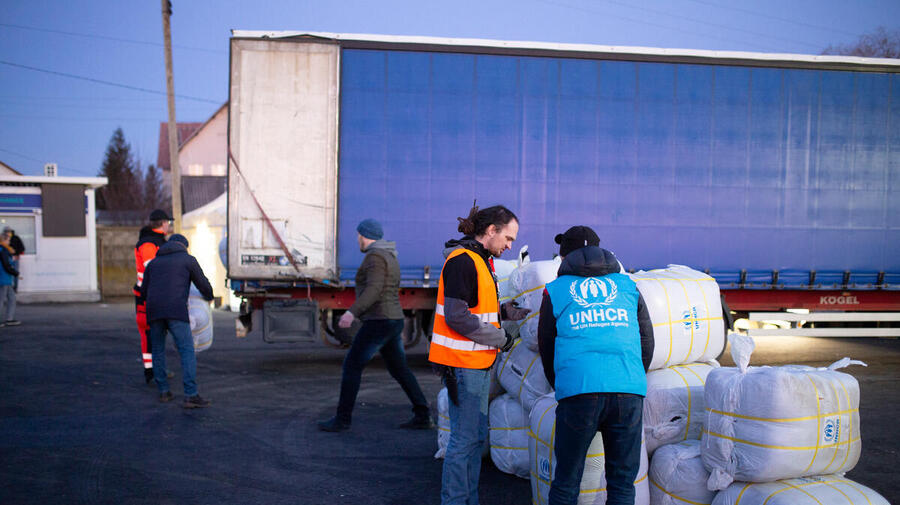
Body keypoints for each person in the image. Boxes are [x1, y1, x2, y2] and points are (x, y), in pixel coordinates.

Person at [536, 226, 654, 505]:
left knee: (566, 481)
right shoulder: (628, 286)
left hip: (578, 390)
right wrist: (633, 376)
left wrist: (562, 385)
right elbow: (646, 339)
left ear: (564, 256)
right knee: (622, 483)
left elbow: (546, 344)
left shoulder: (555, 290)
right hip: (628, 390)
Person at [429, 204, 530, 505]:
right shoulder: (463, 261)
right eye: (508, 238)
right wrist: (502, 338)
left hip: (476, 363)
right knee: (464, 440)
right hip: (463, 365)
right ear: (491, 230)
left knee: (473, 438)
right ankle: (456, 500)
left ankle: (466, 499)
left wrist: (505, 312)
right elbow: (457, 317)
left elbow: (475, 306)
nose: (510, 245)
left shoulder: (480, 261)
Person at [318, 218, 433, 432]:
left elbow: (374, 289)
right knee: (399, 369)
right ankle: (422, 414)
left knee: (352, 366)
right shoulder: (389, 255)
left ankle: (342, 420)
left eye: (358, 235)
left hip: (380, 321)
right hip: (391, 319)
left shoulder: (375, 257)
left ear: (364, 236)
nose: (357, 239)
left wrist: (351, 313)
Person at [140, 234, 215, 407]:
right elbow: (202, 283)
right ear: (184, 246)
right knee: (186, 350)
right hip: (176, 310)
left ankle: (164, 391)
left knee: (157, 350)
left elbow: (143, 292)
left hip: (154, 311)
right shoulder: (188, 260)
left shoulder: (153, 263)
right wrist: (209, 297)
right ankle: (190, 395)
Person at [134, 209, 171, 383]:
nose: (169, 225)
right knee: (151, 332)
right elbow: (153, 269)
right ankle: (152, 370)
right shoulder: (150, 243)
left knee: (151, 333)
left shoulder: (153, 241)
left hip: (149, 294)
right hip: (149, 295)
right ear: (163, 223)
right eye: (168, 222)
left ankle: (153, 368)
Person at [0, 233, 19, 327]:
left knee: (12, 298)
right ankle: (9, 319)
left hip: (7, 279)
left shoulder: (5, 250)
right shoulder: (3, 250)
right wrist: (15, 273)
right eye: (8, 240)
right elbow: (6, 265)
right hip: (3, 279)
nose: (9, 242)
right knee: (1, 300)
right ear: (3, 240)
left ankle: (9, 319)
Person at [4, 227, 24, 292]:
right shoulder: (3, 239)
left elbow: (22, 248)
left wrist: (17, 254)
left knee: (15, 273)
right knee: (6, 273)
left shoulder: (16, 238)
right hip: (6, 258)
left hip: (14, 258)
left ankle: (15, 288)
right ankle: (8, 288)